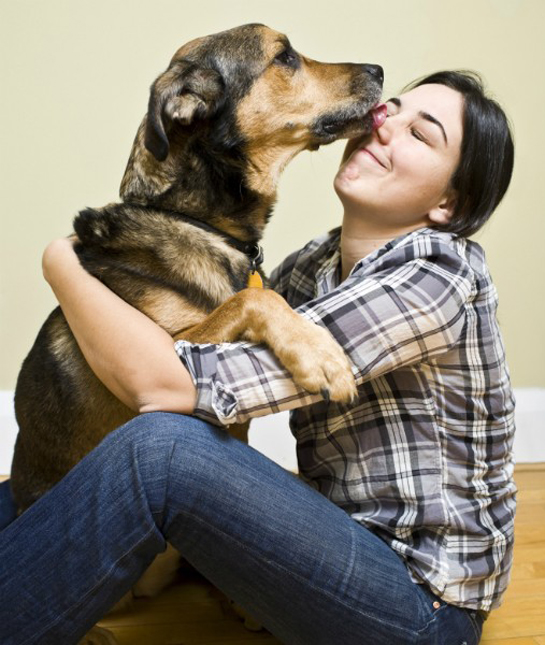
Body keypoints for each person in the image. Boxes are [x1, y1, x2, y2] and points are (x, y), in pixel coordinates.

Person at [0, 70, 516, 645]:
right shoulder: (313, 268)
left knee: (163, 449)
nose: (384, 125)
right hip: (336, 544)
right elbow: (194, 338)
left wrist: (60, 264)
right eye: (391, 110)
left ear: (449, 202)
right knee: (27, 496)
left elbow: (172, 388)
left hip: (422, 610)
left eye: (422, 135)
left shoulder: (438, 275)